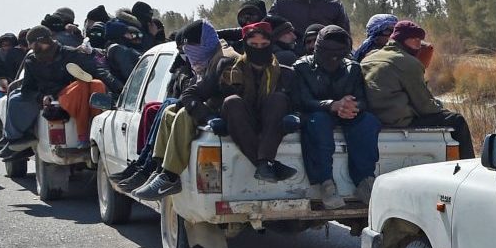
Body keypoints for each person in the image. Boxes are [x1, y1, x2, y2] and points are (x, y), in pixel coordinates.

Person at [292, 26, 380, 208]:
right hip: (316, 114)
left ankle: (365, 181)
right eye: (328, 53)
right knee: (318, 122)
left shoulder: (352, 68)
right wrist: (331, 105)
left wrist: (351, 106)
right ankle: (326, 183)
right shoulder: (301, 67)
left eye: (338, 54)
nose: (333, 59)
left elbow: (363, 100)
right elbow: (301, 101)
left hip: (346, 114)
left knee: (368, 122)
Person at [133, 22, 222, 200]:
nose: (189, 54)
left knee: (183, 114)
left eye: (192, 47)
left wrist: (193, 103)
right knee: (169, 111)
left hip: (221, 110)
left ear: (204, 43)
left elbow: (209, 91)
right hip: (209, 106)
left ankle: (171, 177)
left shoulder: (222, 60)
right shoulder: (206, 60)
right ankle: (160, 169)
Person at [0, 23, 115, 155]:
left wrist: (116, 87)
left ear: (41, 41)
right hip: (50, 96)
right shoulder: (32, 61)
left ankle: (95, 133)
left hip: (71, 92)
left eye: (31, 43)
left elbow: (94, 71)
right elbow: (27, 89)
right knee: (15, 98)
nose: (29, 47)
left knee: (94, 83)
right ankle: (15, 139)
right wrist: (42, 98)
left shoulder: (69, 54)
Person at [361, 20, 473, 150]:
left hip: (370, 119)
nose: (419, 44)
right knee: (457, 120)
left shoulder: (369, 58)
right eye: (414, 39)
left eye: (420, 39)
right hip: (396, 121)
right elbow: (425, 106)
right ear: (402, 39)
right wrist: (439, 106)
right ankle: (466, 167)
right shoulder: (409, 63)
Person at [214, 21, 298, 181]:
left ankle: (264, 164)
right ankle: (265, 164)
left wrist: (295, 118)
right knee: (232, 101)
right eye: (253, 44)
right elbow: (195, 94)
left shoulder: (284, 73)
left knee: (279, 99)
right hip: (238, 121)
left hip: (270, 125)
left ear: (271, 44)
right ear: (245, 44)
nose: (259, 48)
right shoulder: (228, 67)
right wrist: (207, 117)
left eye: (264, 44)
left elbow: (298, 104)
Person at [104, 17, 146, 84]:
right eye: (126, 33)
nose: (130, 36)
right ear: (119, 35)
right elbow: (130, 74)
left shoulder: (110, 48)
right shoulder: (119, 51)